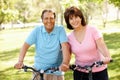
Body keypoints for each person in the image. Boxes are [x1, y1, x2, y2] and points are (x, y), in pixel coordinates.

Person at [14, 9, 70, 80]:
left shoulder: (60, 30)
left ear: (54, 19)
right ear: (42, 20)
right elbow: (25, 46)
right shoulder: (37, 30)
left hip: (56, 72)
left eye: (51, 18)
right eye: (46, 18)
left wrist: (65, 63)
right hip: (38, 71)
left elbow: (65, 46)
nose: (49, 21)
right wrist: (20, 61)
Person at [64, 6, 112, 80]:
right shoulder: (69, 37)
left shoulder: (92, 30)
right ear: (68, 21)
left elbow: (102, 46)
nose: (74, 20)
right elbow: (67, 55)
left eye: (76, 17)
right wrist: (65, 64)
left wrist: (107, 57)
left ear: (81, 17)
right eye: (71, 18)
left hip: (98, 71)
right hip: (79, 73)